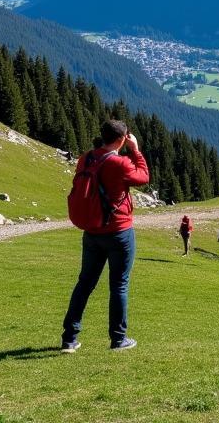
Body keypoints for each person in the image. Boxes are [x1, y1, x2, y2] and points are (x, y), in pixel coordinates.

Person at [61, 120, 150, 353]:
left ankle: (69, 338)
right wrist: (136, 150)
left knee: (85, 283)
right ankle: (118, 339)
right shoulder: (119, 163)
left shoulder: (86, 158)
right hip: (119, 231)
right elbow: (143, 177)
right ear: (122, 139)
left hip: (92, 232)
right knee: (119, 284)